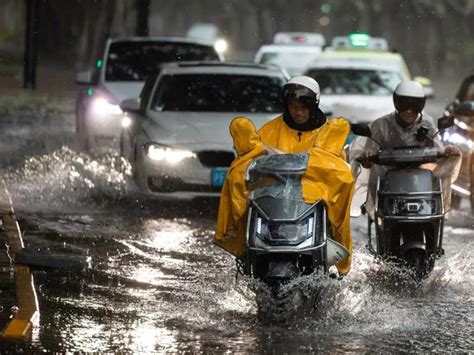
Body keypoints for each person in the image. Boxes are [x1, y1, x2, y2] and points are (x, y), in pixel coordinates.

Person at [350, 80, 461, 218]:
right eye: (404, 105)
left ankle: (436, 214)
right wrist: (367, 156)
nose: (409, 111)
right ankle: (382, 221)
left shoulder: (427, 124)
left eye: (414, 105)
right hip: (388, 181)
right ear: (396, 102)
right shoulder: (380, 125)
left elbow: (437, 148)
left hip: (420, 181)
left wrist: (448, 152)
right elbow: (370, 151)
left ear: (422, 105)